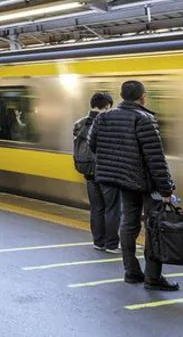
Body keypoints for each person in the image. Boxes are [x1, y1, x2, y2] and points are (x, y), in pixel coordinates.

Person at [89, 80, 178, 291]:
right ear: (142, 96)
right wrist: (166, 188)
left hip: (122, 181)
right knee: (154, 227)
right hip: (145, 183)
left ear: (121, 95)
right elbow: (155, 158)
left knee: (129, 224)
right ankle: (153, 277)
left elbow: (93, 144)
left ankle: (131, 272)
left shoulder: (103, 117)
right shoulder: (144, 119)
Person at [73, 92, 118, 253]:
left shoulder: (79, 123)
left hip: (88, 172)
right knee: (112, 208)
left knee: (96, 208)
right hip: (107, 172)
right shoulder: (108, 123)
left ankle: (98, 242)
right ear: (107, 106)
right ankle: (112, 244)